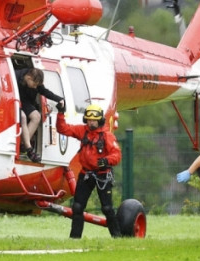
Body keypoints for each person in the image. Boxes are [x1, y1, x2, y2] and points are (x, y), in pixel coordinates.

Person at [56, 103, 122, 238]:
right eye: (89, 120)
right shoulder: (83, 131)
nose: (91, 123)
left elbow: (117, 155)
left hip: (103, 175)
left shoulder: (107, 136)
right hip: (86, 174)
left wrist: (106, 161)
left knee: (107, 208)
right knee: (78, 207)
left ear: (100, 121)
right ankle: (75, 238)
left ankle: (117, 237)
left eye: (94, 120)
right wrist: (60, 113)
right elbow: (63, 129)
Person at [15, 67, 64, 162]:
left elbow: (45, 92)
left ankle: (22, 145)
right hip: (13, 100)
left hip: (25, 102)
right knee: (23, 117)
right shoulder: (15, 76)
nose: (35, 87)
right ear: (29, 78)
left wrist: (59, 99)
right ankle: (28, 149)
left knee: (36, 116)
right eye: (34, 85)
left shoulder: (35, 81)